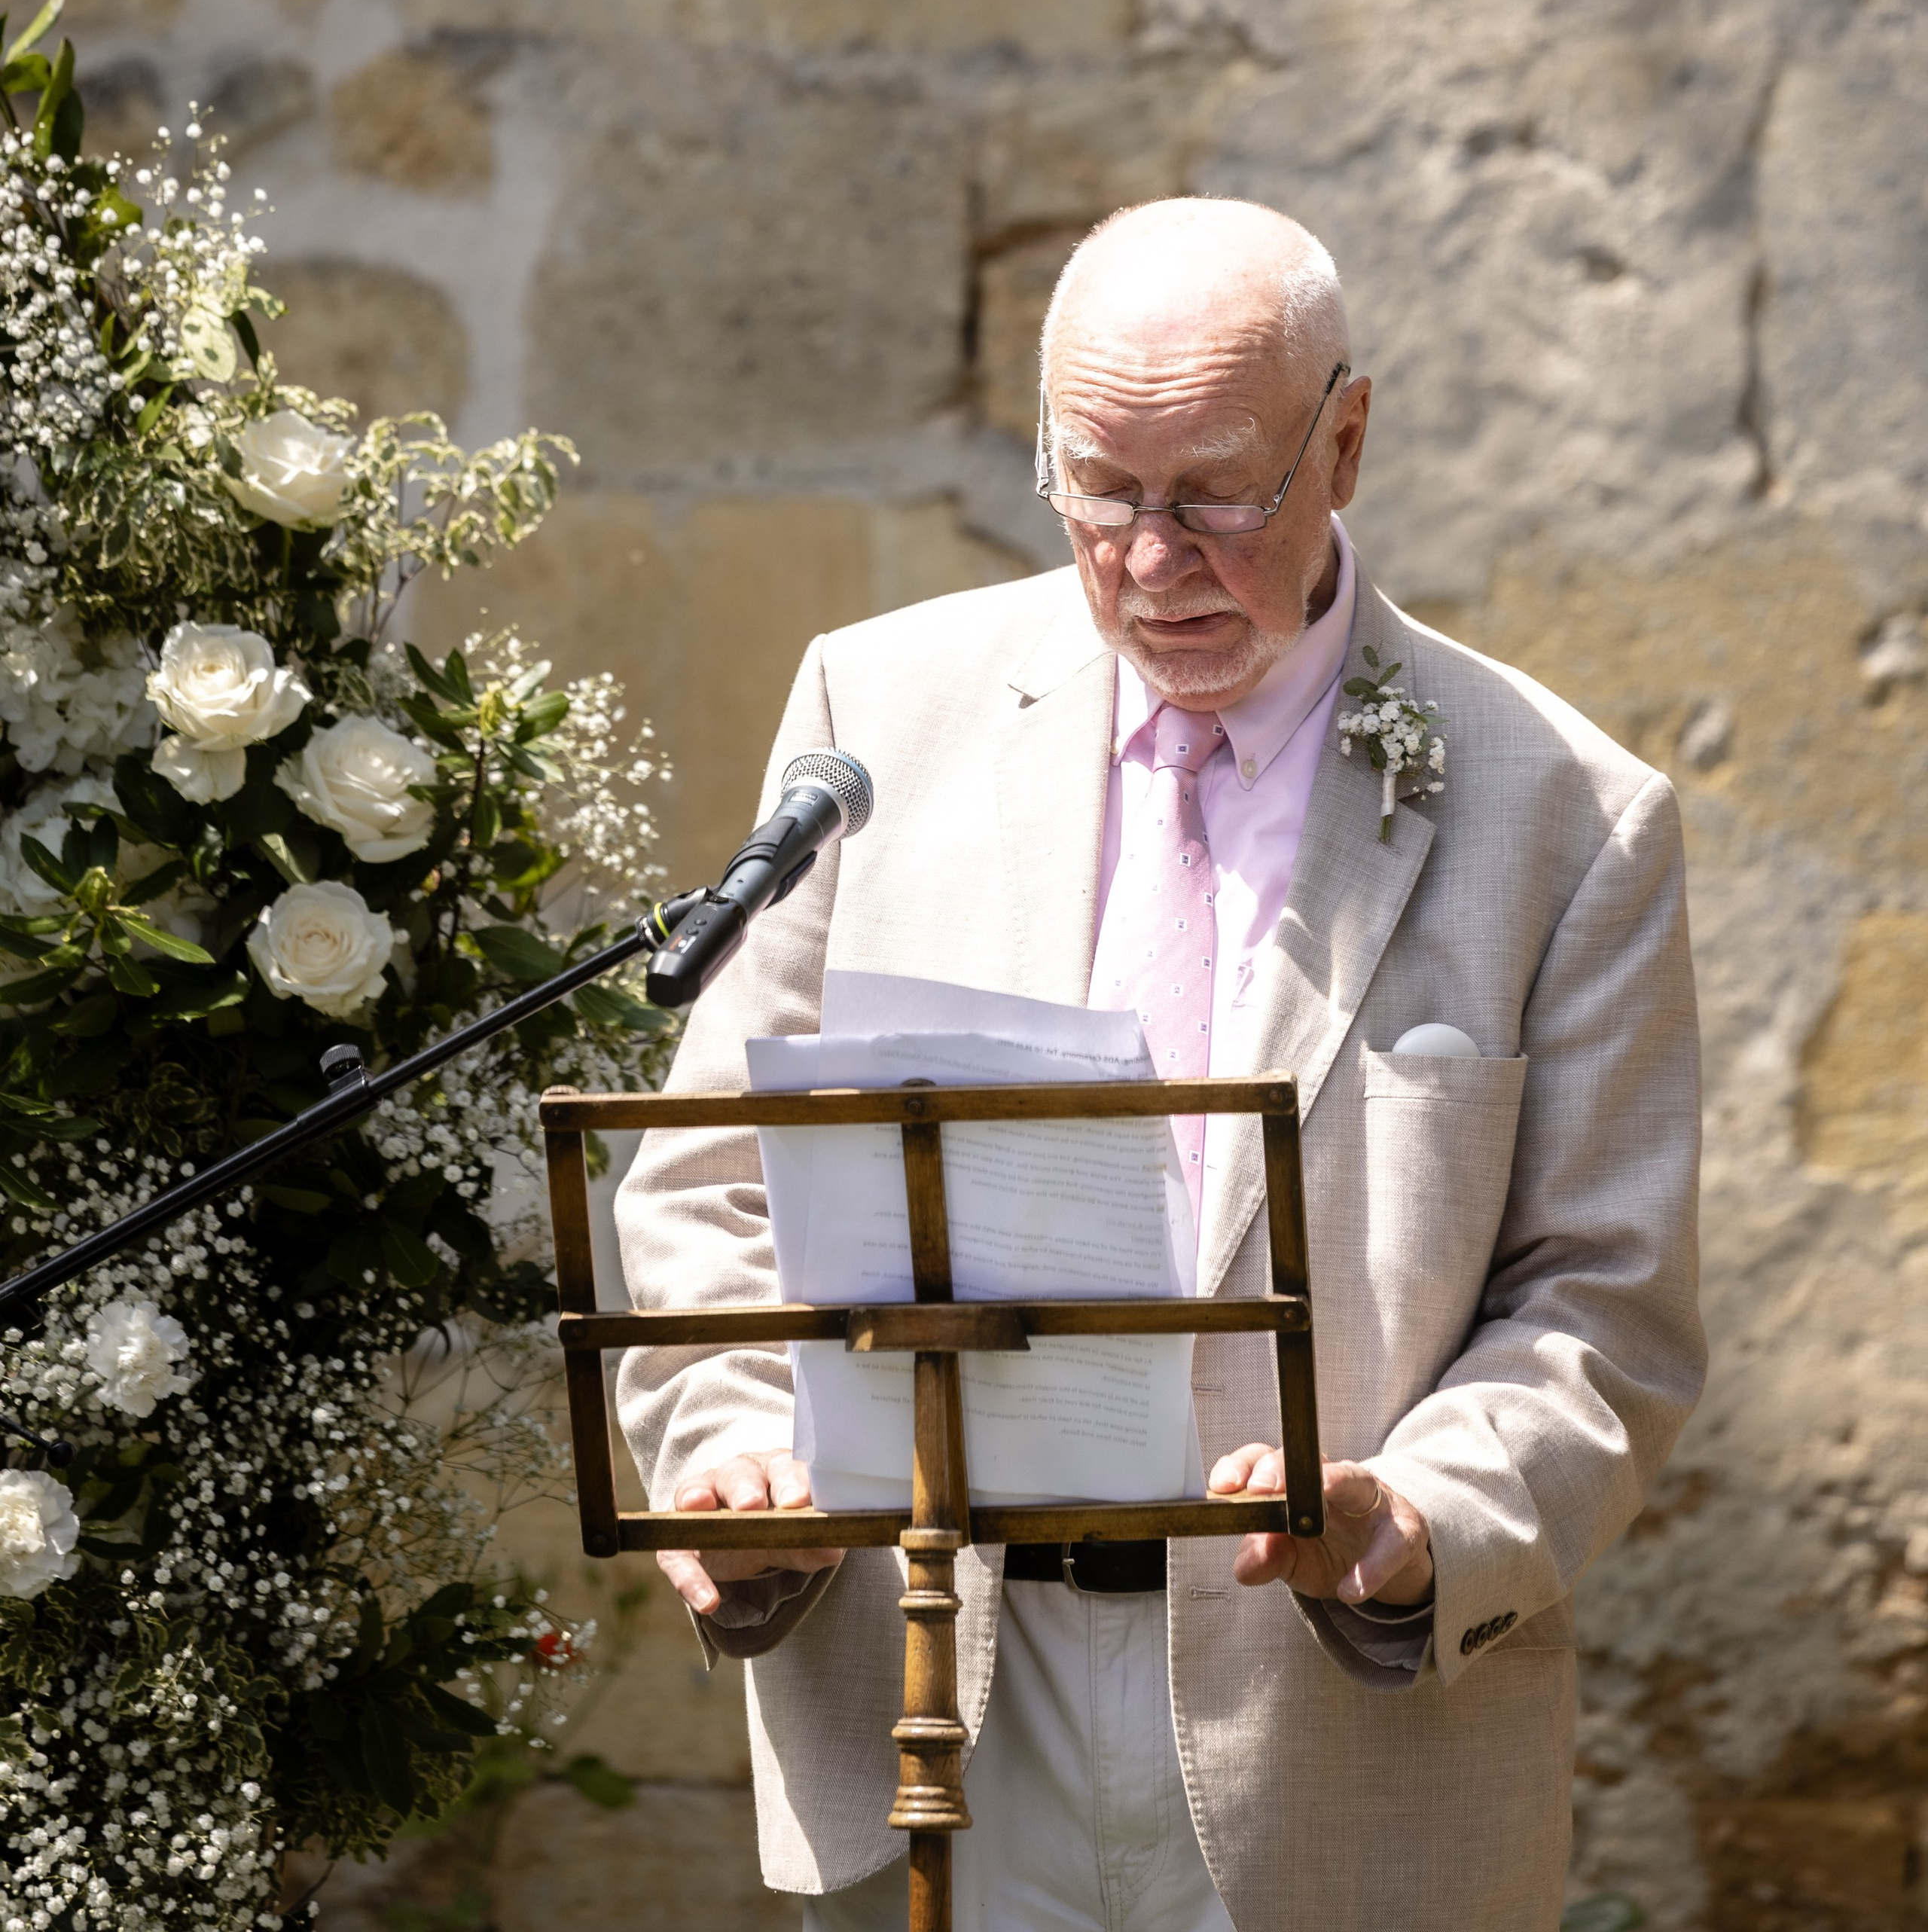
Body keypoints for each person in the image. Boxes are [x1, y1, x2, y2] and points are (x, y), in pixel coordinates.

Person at [617, 197, 1704, 1932]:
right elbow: (715, 1171)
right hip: (939, 1686)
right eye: (1097, 490)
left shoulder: (1566, 817)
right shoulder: (873, 716)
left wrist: (1419, 1515)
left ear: (1342, 440)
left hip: (1333, 1745)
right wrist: (739, 1448)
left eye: (1213, 493)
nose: (1144, 556)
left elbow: (1604, 1307)